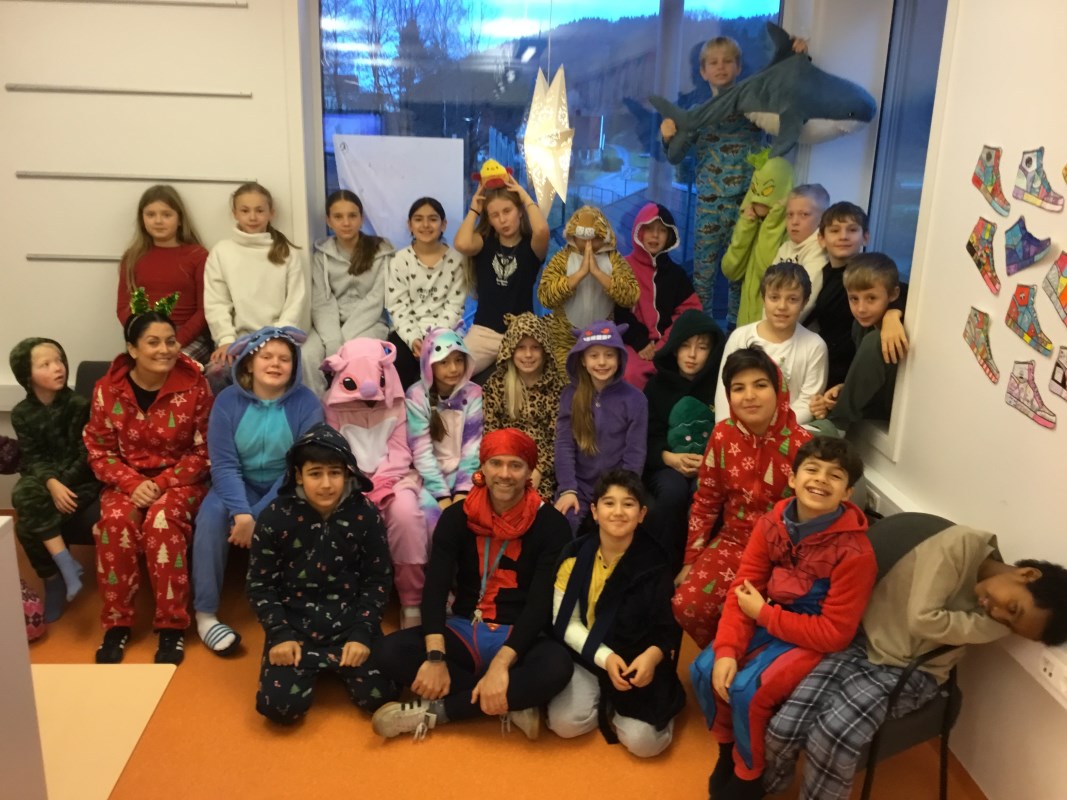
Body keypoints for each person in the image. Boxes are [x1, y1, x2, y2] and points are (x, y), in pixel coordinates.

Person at [763, 512, 1067, 800]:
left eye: (1010, 625)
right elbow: (923, 620)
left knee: (831, 737)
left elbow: (972, 622)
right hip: (863, 643)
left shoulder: (999, 612)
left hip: (915, 672)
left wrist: (1005, 620)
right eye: (1013, 609)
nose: (997, 615)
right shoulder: (962, 544)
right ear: (1027, 574)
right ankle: (771, 786)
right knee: (783, 728)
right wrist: (985, 623)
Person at [696, 437, 875, 800]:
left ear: (848, 493)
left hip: (812, 637)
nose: (821, 479)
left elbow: (835, 634)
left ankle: (750, 773)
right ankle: (726, 751)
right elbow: (742, 591)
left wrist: (764, 614)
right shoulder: (770, 524)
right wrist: (728, 649)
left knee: (747, 690)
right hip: (771, 618)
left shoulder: (856, 553)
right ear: (793, 479)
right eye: (812, 469)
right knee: (704, 668)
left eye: (835, 475)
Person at [371, 428, 574, 741]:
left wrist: (502, 664)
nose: (504, 474)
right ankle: (510, 702)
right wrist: (436, 657)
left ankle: (440, 711)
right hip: (465, 628)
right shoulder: (457, 517)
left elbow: (540, 604)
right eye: (496, 463)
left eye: (515, 465)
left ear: (529, 472)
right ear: (483, 467)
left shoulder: (552, 525)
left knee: (557, 668)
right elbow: (435, 587)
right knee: (388, 651)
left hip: (520, 633)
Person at [83, 301, 212, 664]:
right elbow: (98, 450)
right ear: (132, 348)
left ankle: (171, 627)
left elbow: (205, 450)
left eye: (170, 341)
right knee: (115, 523)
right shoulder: (107, 390)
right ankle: (117, 624)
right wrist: (131, 483)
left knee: (161, 522)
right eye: (153, 342)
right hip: (126, 482)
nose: (165, 350)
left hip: (181, 482)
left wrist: (163, 483)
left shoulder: (196, 385)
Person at [247, 423, 395, 724]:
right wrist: (279, 634)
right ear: (298, 475)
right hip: (295, 625)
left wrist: (362, 632)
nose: (326, 484)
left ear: (347, 474)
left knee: (383, 695)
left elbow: (378, 579)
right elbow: (260, 584)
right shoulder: (274, 516)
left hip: (350, 620)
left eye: (335, 473)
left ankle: (340, 661)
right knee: (279, 707)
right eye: (315, 474)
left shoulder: (365, 514)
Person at [192, 326, 323, 656]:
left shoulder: (307, 403)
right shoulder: (226, 402)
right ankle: (205, 614)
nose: (275, 364)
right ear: (249, 363)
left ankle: (298, 611)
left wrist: (259, 514)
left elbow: (298, 468)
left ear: (295, 366)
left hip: (287, 486)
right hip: (237, 484)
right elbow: (224, 465)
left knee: (302, 518)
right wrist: (242, 513)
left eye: (284, 359)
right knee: (210, 518)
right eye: (267, 356)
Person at [673, 347, 812, 649]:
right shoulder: (722, 436)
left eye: (760, 385)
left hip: (785, 554)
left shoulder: (804, 447)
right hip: (734, 542)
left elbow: (814, 518)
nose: (749, 396)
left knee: (763, 623)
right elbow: (706, 502)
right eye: (738, 388)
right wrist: (691, 560)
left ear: (778, 390)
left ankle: (746, 662)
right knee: (688, 605)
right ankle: (720, 658)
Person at [547, 470, 686, 757]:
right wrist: (605, 658)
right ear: (595, 512)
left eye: (629, 504)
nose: (618, 512)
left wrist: (652, 657)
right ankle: (603, 698)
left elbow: (666, 628)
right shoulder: (574, 557)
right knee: (565, 723)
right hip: (590, 654)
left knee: (644, 744)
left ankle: (632, 709)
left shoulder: (656, 563)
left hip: (636, 658)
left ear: (642, 514)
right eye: (609, 503)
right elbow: (566, 623)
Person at [322, 337, 426, 629]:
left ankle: (411, 600)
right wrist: (358, 485)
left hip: (395, 479)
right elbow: (335, 452)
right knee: (341, 518)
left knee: (406, 516)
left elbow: (400, 450)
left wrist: (381, 483)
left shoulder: (397, 404)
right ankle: (350, 599)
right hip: (350, 483)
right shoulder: (332, 407)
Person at [660, 36, 764, 325]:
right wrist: (667, 137)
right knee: (703, 274)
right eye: (713, 63)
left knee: (739, 270)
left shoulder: (753, 110)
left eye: (727, 61)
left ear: (738, 67)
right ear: (703, 71)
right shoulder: (698, 114)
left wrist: (796, 54)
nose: (721, 67)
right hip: (708, 203)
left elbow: (781, 107)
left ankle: (736, 328)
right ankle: (701, 329)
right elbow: (676, 155)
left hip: (746, 204)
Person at [10, 337, 100, 622]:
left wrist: (63, 484)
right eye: (45, 364)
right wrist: (51, 484)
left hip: (81, 480)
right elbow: (33, 458)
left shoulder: (79, 405)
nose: (57, 368)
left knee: (26, 528)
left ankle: (57, 578)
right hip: (46, 482)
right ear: (26, 375)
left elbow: (87, 454)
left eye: (59, 360)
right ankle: (61, 570)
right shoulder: (21, 413)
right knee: (22, 493)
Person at [204, 182, 310, 391]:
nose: (252, 217)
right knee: (217, 371)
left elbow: (296, 301)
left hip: (278, 339)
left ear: (271, 213)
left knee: (283, 371)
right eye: (245, 211)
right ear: (235, 213)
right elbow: (216, 302)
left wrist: (278, 337)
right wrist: (225, 338)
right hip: (238, 341)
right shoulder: (222, 252)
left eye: (259, 210)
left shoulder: (287, 252)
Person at [642, 309, 725, 570]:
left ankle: (701, 566)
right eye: (686, 346)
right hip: (666, 464)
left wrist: (708, 462)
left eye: (702, 347)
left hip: (710, 465)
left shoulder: (721, 386)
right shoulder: (656, 386)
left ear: (712, 352)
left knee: (706, 493)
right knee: (673, 492)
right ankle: (660, 564)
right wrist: (670, 458)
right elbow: (647, 438)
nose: (692, 354)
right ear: (675, 348)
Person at [554, 320, 648, 532]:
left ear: (620, 358)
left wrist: (622, 492)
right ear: (583, 360)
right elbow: (564, 446)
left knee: (614, 528)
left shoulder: (636, 399)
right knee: (562, 524)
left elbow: (635, 453)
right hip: (578, 486)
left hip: (616, 486)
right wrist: (568, 488)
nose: (602, 362)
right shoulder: (570, 395)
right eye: (594, 356)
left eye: (609, 355)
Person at [455, 172, 549, 374]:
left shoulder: (531, 246)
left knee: (529, 383)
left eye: (508, 211)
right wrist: (474, 209)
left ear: (520, 211)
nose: (503, 220)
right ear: (489, 219)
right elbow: (462, 244)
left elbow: (542, 230)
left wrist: (524, 196)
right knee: (455, 374)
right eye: (495, 215)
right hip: (484, 332)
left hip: (521, 334)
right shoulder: (485, 242)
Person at [805, 203, 907, 387]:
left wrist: (893, 315)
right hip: (825, 370)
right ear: (821, 239)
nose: (843, 236)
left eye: (852, 230)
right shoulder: (817, 275)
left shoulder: (873, 273)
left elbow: (904, 293)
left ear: (865, 237)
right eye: (835, 230)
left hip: (859, 373)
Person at [714, 263, 827, 426]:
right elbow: (724, 392)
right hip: (739, 429)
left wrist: (771, 428)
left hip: (788, 430)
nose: (782, 306)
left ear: (804, 302)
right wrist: (727, 430)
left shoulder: (815, 346)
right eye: (774, 297)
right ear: (763, 298)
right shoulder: (740, 337)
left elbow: (807, 403)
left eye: (792, 299)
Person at [305, 189, 392, 395]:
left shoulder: (382, 251)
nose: (346, 222)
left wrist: (343, 341)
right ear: (329, 221)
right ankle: (317, 408)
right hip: (329, 326)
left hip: (369, 323)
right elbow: (322, 302)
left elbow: (376, 300)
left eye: (352, 216)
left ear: (361, 219)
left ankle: (350, 408)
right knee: (306, 354)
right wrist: (333, 341)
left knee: (358, 353)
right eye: (338, 216)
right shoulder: (321, 257)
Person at [810, 253, 908, 433]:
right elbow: (867, 369)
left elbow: (911, 291)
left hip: (900, 410)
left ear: (894, 294)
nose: (861, 308)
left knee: (875, 340)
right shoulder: (860, 326)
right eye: (854, 299)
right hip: (871, 407)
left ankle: (836, 425)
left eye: (871, 298)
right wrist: (843, 390)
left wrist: (893, 314)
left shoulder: (905, 322)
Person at [116, 185, 211, 363]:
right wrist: (142, 336)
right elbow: (123, 307)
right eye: (151, 215)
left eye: (167, 215)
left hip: (187, 337)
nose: (158, 221)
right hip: (145, 335)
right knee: (135, 370)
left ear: (180, 219)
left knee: (171, 365)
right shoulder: (132, 257)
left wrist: (174, 341)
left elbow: (204, 310)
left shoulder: (197, 256)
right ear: (142, 219)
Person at [537, 205, 639, 370]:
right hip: (566, 341)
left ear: (604, 237)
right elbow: (545, 297)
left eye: (594, 239)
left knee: (601, 380)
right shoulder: (562, 259)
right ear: (573, 236)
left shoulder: (614, 259)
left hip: (603, 341)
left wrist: (599, 274)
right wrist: (579, 275)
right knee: (567, 379)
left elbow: (631, 296)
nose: (588, 245)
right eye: (583, 239)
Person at [614, 202, 703, 389]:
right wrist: (640, 342)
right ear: (639, 232)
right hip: (633, 343)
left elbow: (690, 312)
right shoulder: (623, 268)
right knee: (630, 374)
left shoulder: (676, 274)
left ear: (670, 236)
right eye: (649, 229)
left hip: (669, 346)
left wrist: (665, 343)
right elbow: (617, 311)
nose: (655, 235)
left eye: (662, 230)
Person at [405, 327, 483, 541]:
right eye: (444, 362)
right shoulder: (416, 396)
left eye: (459, 360)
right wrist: (442, 497)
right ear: (429, 364)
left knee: (473, 520)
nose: (454, 368)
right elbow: (421, 452)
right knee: (432, 522)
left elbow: (472, 448)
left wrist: (462, 492)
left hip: (464, 476)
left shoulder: (474, 393)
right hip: (428, 478)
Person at [482, 312, 566, 503]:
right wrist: (502, 467)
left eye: (535, 347)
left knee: (534, 508)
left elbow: (558, 438)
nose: (528, 355)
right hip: (503, 464)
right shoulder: (496, 384)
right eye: (521, 347)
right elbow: (490, 433)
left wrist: (539, 470)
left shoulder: (556, 387)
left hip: (542, 470)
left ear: (544, 350)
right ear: (511, 350)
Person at [386, 196, 467, 388]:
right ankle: (404, 407)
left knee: (448, 364)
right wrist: (414, 339)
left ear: (443, 224)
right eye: (418, 219)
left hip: (446, 331)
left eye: (432, 219)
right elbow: (398, 307)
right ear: (410, 225)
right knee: (399, 363)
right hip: (408, 333)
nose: (425, 225)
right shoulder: (399, 260)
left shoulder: (457, 260)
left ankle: (444, 407)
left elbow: (454, 306)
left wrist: (433, 341)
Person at [721, 152, 794, 328]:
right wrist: (745, 228)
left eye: (768, 191)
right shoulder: (751, 223)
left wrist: (771, 226)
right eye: (755, 188)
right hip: (745, 328)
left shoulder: (789, 232)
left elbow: (767, 273)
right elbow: (730, 270)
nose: (759, 197)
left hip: (771, 330)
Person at [772, 184, 830, 322]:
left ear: (822, 219)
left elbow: (807, 297)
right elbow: (769, 289)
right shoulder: (785, 248)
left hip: (796, 327)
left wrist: (777, 329)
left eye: (804, 214)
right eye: (790, 215)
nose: (794, 222)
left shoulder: (819, 248)